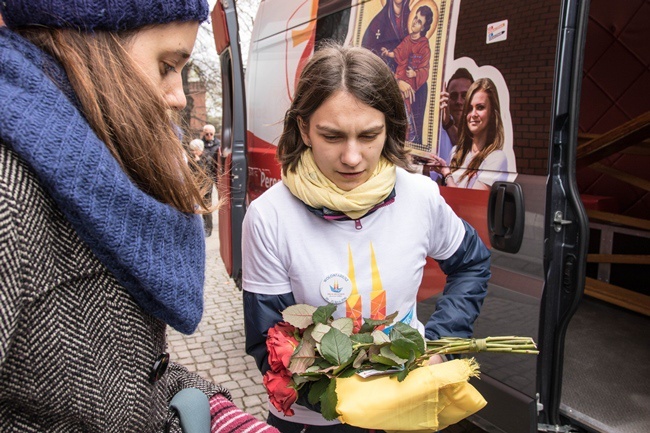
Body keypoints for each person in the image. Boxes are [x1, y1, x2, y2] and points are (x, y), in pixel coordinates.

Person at [0, 1, 278, 432]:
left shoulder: (97, 167)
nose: (179, 96)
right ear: (90, 43)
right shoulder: (10, 194)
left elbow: (124, 372)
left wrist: (217, 415)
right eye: (168, 65)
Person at [242, 44, 490, 432]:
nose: (353, 157)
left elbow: (472, 263)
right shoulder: (269, 217)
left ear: (389, 128)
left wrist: (442, 344)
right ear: (304, 128)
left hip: (408, 408)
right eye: (333, 136)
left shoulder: (420, 196)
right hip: (317, 421)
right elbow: (269, 344)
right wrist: (349, 397)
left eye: (369, 135)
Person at [428, 78, 508, 189]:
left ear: (492, 114)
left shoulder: (496, 158)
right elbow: (438, 194)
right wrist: (427, 169)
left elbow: (469, 202)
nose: (473, 114)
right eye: (470, 108)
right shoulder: (455, 152)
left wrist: (446, 174)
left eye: (480, 107)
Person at [381, 5, 435, 142]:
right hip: (400, 75)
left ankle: (409, 127)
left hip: (411, 81)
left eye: (419, 22)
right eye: (415, 18)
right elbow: (399, 52)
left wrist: (415, 73)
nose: (414, 22)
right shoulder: (407, 39)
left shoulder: (424, 46)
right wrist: (389, 53)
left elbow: (425, 68)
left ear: (423, 28)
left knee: (406, 100)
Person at [438, 68, 474, 164]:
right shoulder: (436, 134)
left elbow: (468, 148)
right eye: (453, 96)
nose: (459, 101)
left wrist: (448, 124)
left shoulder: (481, 130)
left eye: (464, 95)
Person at [189, 138, 215, 235]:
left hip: (206, 185)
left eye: (195, 150)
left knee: (206, 207)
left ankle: (208, 228)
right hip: (195, 185)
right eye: (192, 150)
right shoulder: (191, 158)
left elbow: (206, 172)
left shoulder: (207, 157)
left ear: (200, 149)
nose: (193, 152)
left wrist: (198, 162)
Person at [201, 124, 219, 236]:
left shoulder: (219, 145)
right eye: (206, 133)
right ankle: (208, 228)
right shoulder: (199, 145)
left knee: (224, 199)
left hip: (217, 175)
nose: (208, 135)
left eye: (210, 133)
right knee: (206, 202)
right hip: (205, 176)